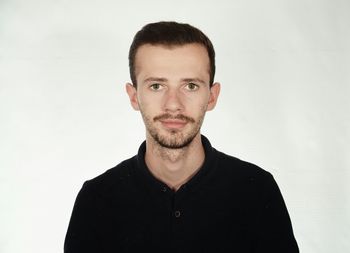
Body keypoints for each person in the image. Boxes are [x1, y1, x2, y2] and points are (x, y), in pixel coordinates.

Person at [64, 21, 299, 253]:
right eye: (156, 86)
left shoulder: (256, 191)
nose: (173, 104)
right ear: (134, 96)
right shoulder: (97, 200)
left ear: (211, 96)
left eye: (190, 86)